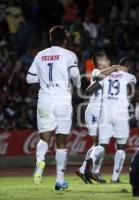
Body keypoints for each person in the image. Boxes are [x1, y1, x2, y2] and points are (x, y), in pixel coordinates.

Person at [26, 26, 81, 190]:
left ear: (50, 39)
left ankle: (40, 162)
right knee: (61, 142)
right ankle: (59, 180)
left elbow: (29, 78)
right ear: (65, 40)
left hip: (45, 100)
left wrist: (44, 80)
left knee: (44, 138)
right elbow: (76, 75)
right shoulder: (69, 55)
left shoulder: (40, 55)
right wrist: (77, 85)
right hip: (63, 101)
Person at [85, 57, 136, 183]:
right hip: (120, 114)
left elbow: (89, 90)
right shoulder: (130, 76)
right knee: (121, 146)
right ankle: (115, 178)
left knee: (101, 145)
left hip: (105, 113)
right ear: (128, 66)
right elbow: (131, 92)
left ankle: (89, 163)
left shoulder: (106, 75)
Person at [76, 52, 124, 184]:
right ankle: (90, 170)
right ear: (100, 62)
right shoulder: (96, 71)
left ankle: (88, 170)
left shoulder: (110, 77)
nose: (108, 60)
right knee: (100, 144)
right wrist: (115, 67)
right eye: (106, 59)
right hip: (94, 111)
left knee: (100, 144)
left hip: (102, 113)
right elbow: (100, 78)